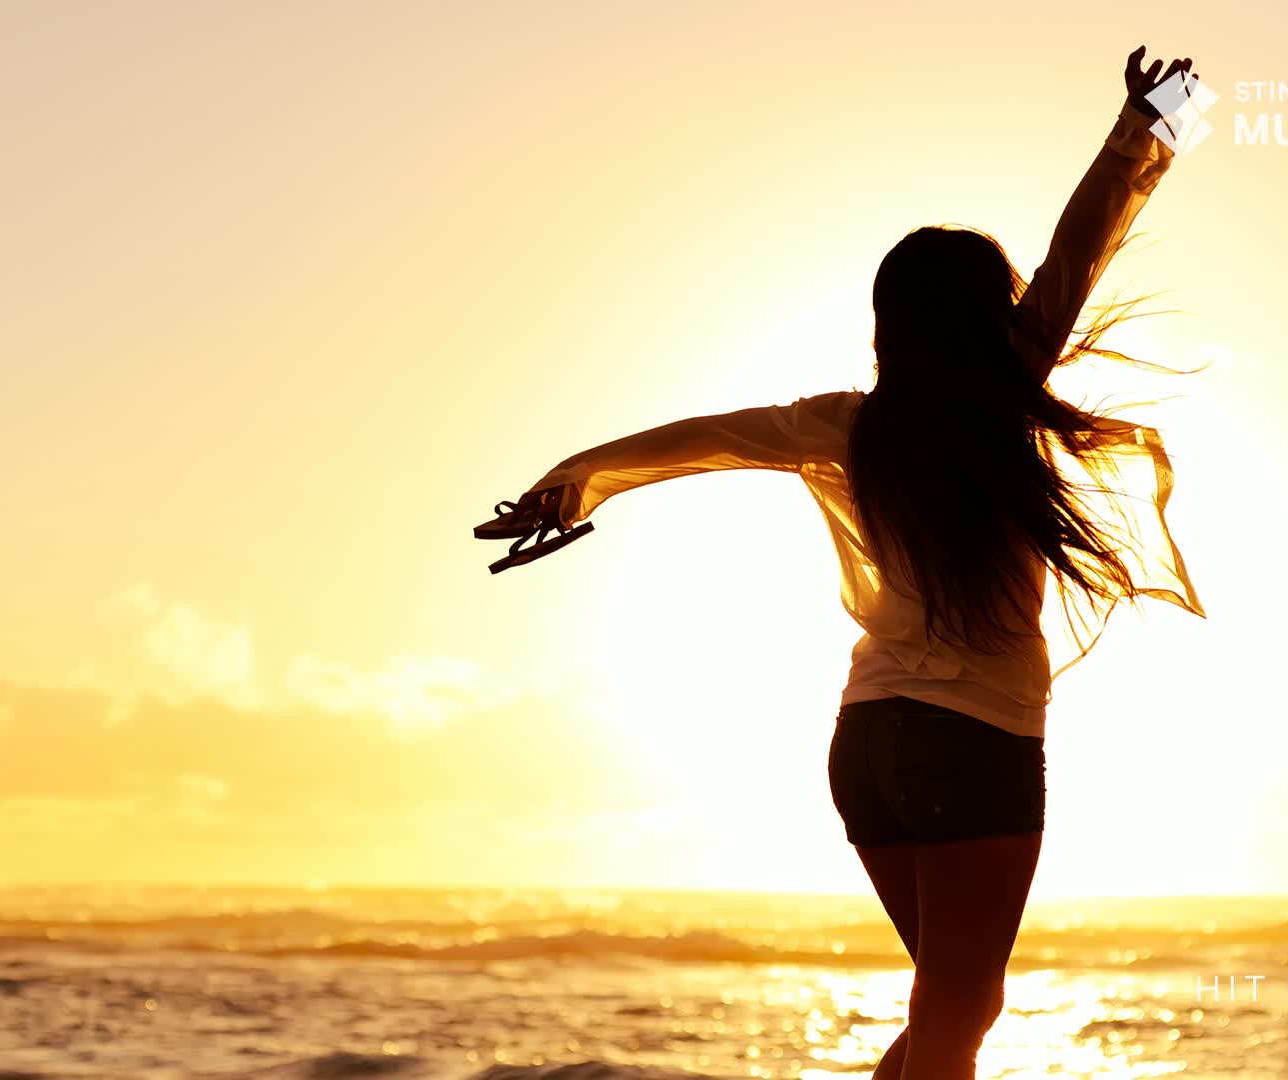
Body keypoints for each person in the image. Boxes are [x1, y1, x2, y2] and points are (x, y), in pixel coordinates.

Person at [486, 47, 1207, 1080]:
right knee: (959, 1016)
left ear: (890, 327)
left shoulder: (842, 427)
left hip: (867, 745)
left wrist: (577, 479)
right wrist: (1159, 115)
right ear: (989, 315)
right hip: (976, 742)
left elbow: (701, 438)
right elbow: (1084, 245)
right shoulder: (1006, 386)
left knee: (951, 1011)